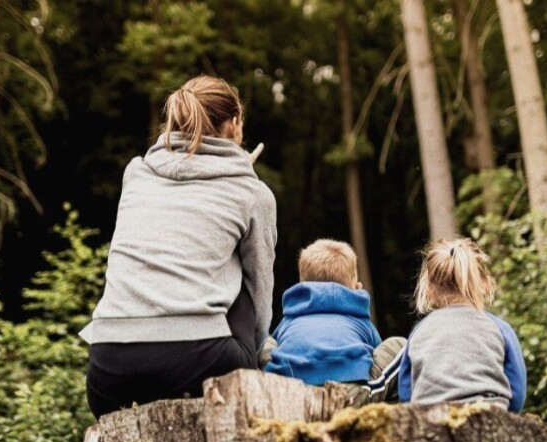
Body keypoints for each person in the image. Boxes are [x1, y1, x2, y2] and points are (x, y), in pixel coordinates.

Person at [79, 75, 277, 419]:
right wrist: (260, 351)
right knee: (241, 278)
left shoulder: (137, 173)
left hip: (108, 372)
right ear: (233, 125)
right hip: (199, 363)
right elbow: (259, 289)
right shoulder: (252, 192)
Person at [264, 239, 405, 404]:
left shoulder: (291, 318)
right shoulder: (359, 317)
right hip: (348, 396)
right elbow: (374, 357)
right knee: (400, 346)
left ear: (302, 287)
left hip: (291, 393)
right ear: (357, 288)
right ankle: (387, 411)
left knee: (265, 341)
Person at [397, 237, 526, 413]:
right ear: (485, 283)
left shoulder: (420, 332)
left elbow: (406, 392)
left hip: (431, 425)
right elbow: (517, 393)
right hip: (489, 422)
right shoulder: (499, 328)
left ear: (429, 289)